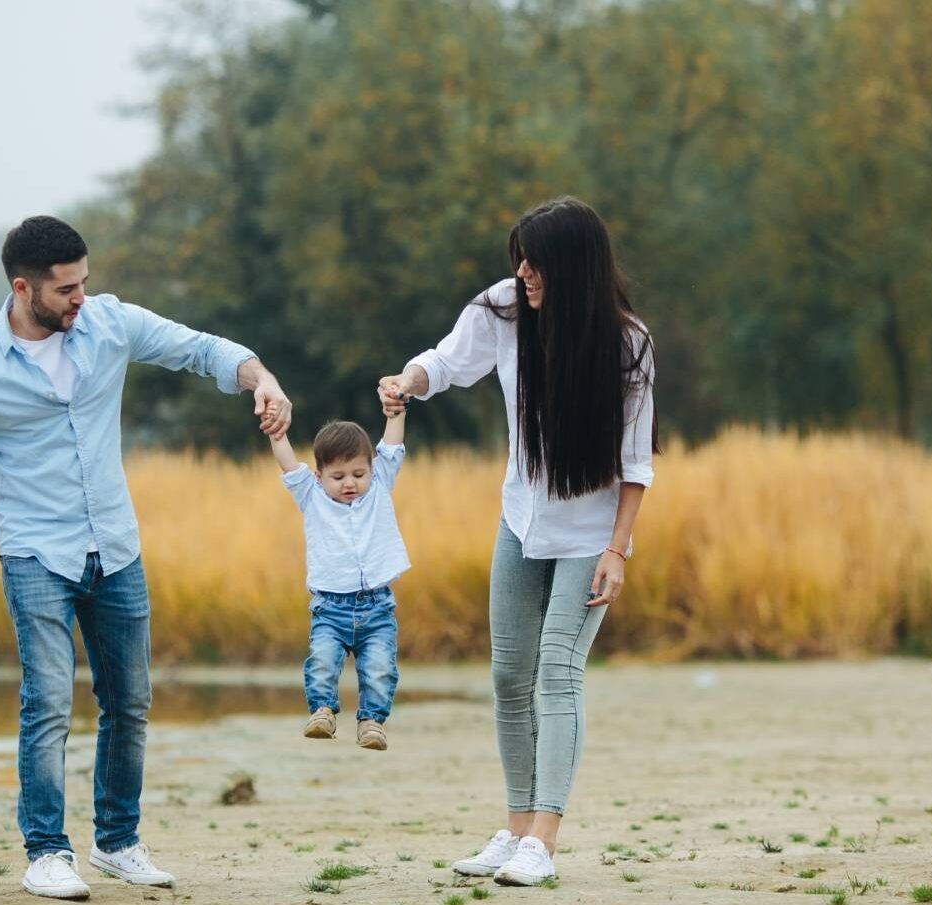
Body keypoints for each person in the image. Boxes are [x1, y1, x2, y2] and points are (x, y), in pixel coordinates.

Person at [0, 215, 291, 900]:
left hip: (115, 546)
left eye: (84, 282)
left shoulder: (109, 324)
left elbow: (202, 349)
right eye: (67, 289)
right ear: (24, 288)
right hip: (34, 552)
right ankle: (46, 850)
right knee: (46, 700)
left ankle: (116, 841)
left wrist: (262, 378)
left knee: (129, 700)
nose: (81, 297)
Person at [379, 197, 656, 887]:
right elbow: (447, 361)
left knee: (556, 674)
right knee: (508, 677)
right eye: (519, 259)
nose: (523, 272)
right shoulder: (503, 310)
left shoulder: (628, 345)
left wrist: (616, 551)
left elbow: (636, 464)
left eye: (535, 261)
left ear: (572, 266)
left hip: (589, 538)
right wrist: (408, 380)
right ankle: (514, 827)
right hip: (519, 523)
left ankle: (544, 839)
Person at [268, 405, 409, 751]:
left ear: (371, 470)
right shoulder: (310, 495)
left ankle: (372, 722)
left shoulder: (378, 486)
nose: (350, 483)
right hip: (329, 607)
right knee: (322, 662)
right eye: (339, 476)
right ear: (320, 476)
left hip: (377, 606)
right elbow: (288, 464)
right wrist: (277, 434)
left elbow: (391, 446)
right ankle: (322, 712)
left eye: (358, 474)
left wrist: (396, 411)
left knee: (379, 668)